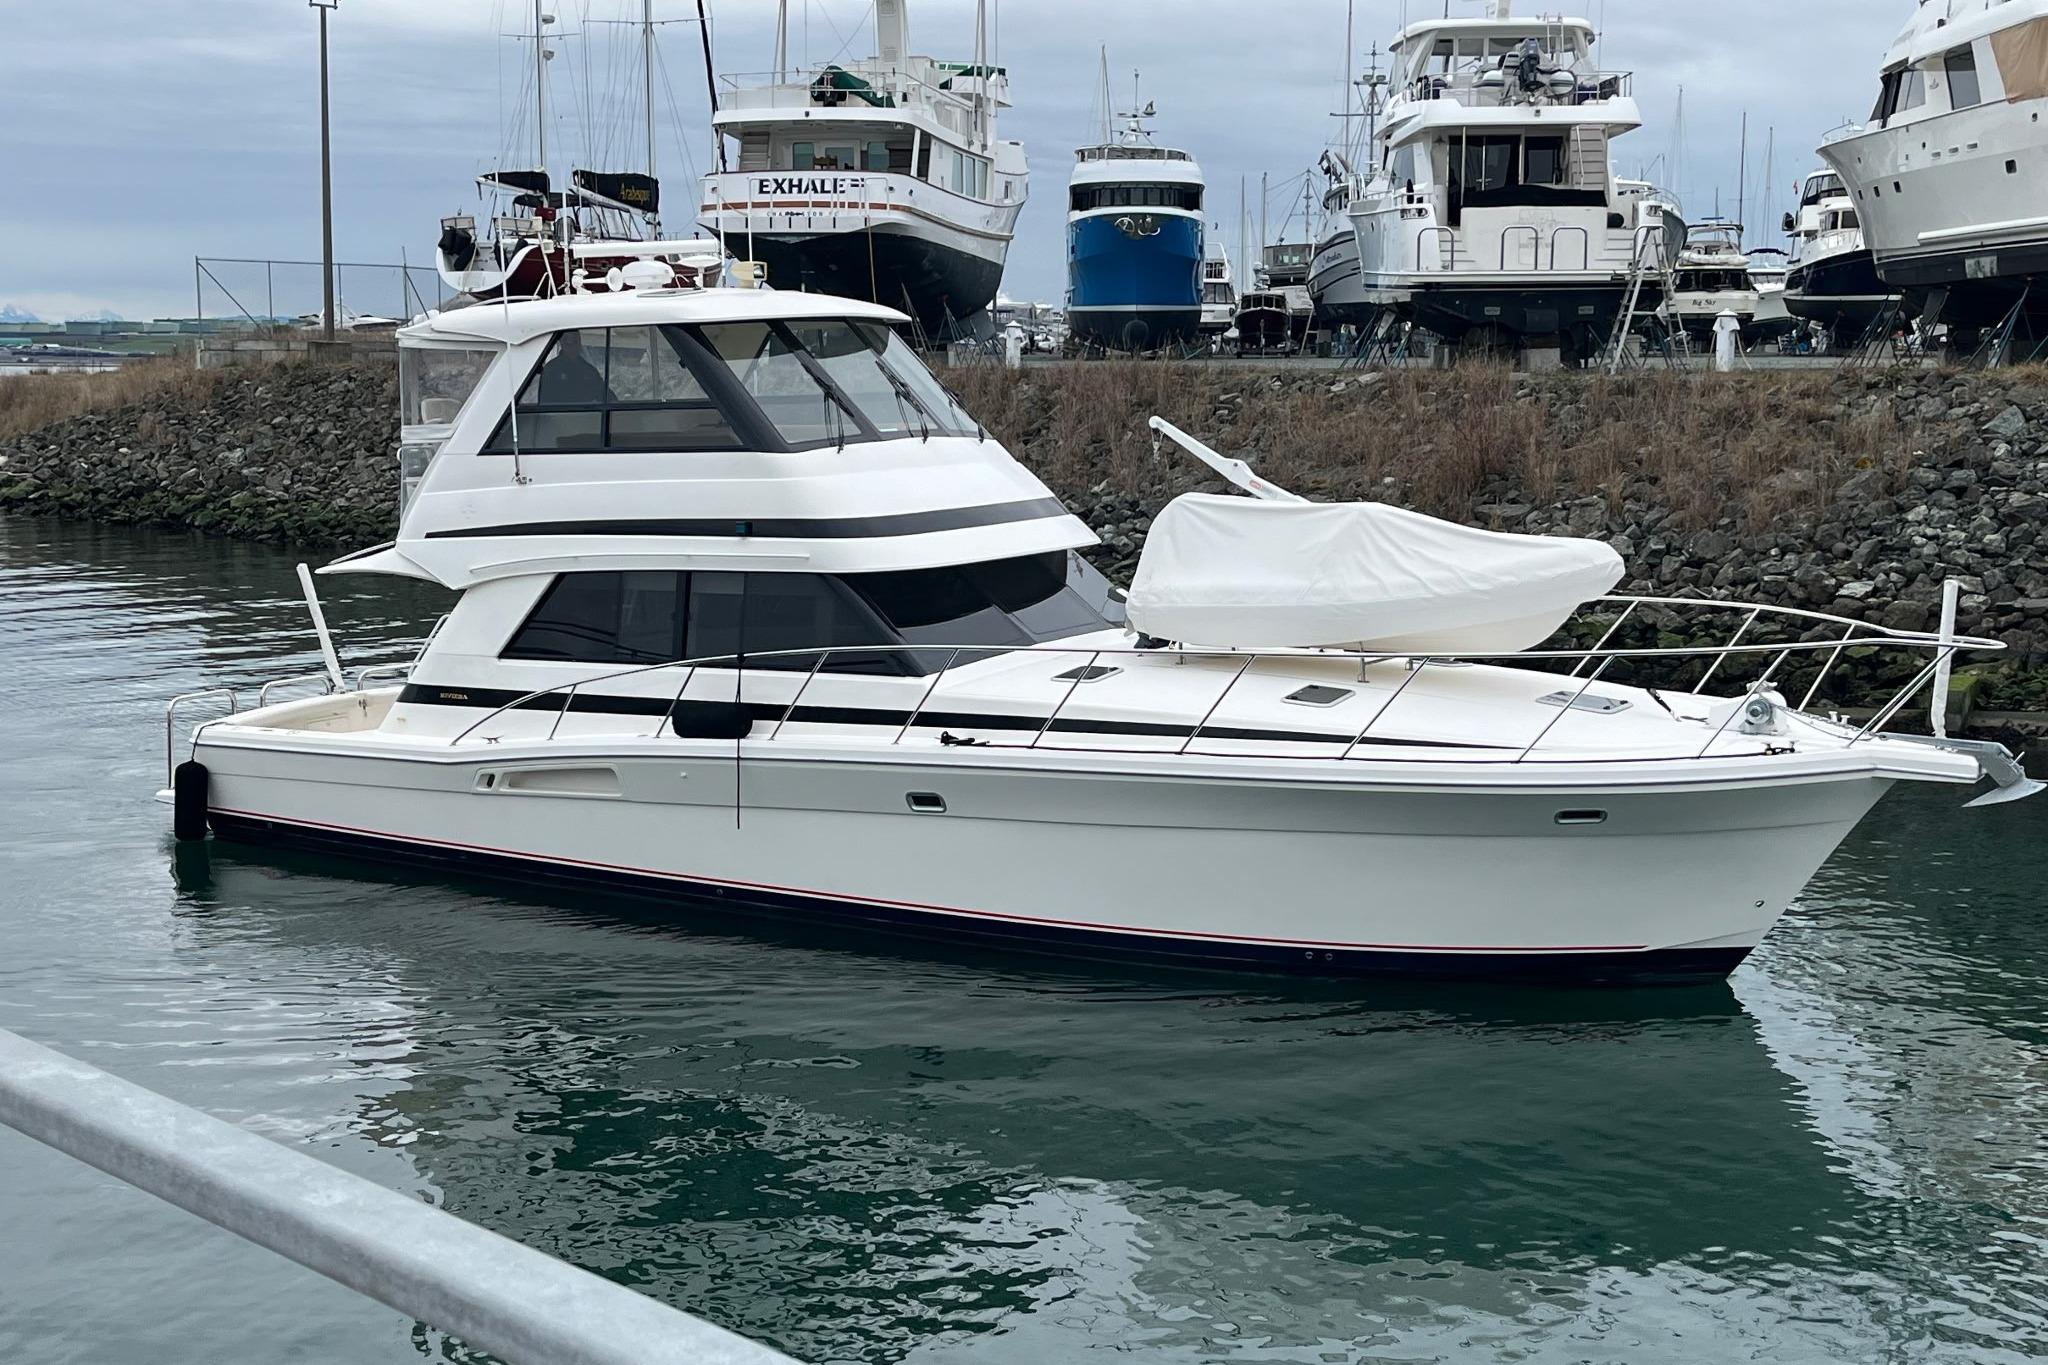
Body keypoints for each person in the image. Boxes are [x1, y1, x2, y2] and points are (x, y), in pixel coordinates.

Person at [538, 330, 609, 405]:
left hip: (586, 414)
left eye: (574, 340)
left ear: (579, 342)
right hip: (560, 415)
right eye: (567, 341)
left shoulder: (589, 371)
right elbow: (544, 405)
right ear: (561, 342)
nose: (571, 344)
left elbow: (606, 396)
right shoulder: (551, 370)